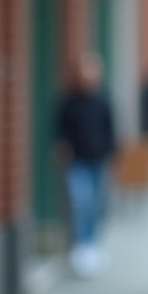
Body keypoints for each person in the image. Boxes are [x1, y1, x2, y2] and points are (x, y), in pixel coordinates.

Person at [57, 52, 117, 276]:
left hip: (99, 160)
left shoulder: (103, 100)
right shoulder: (69, 101)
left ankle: (92, 244)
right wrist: (62, 146)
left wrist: (113, 156)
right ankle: (81, 246)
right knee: (81, 202)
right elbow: (60, 129)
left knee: (96, 204)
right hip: (77, 162)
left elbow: (110, 130)